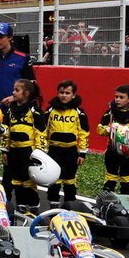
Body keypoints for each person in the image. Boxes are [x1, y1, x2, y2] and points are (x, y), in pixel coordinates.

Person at [41, 78, 90, 206]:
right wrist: (43, 149)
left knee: (69, 179)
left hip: (71, 151)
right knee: (54, 178)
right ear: (58, 93)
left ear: (73, 95)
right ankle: (53, 203)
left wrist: (82, 153)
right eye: (61, 92)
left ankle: (70, 204)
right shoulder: (50, 111)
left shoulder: (79, 113)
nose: (64, 95)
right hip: (54, 150)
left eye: (67, 93)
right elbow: (43, 131)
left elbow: (84, 133)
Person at [1, 78, 45, 208]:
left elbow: (41, 133)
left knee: (28, 181)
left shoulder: (35, 111)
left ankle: (33, 206)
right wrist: (4, 150)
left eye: (16, 90)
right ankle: (20, 205)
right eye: (13, 90)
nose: (13, 93)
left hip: (29, 151)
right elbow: (6, 131)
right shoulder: (10, 110)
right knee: (16, 181)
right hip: (14, 151)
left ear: (26, 93)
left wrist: (40, 154)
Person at [98, 85, 129, 195]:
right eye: (116, 97)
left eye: (121, 97)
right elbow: (100, 129)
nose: (117, 99)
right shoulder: (110, 113)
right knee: (110, 179)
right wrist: (109, 130)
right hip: (112, 151)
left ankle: (126, 200)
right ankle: (107, 200)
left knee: (126, 180)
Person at [0, 23, 34, 101]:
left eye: (1, 37)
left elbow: (30, 86)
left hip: (16, 104)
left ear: (10, 37)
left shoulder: (23, 58)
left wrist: (15, 98)